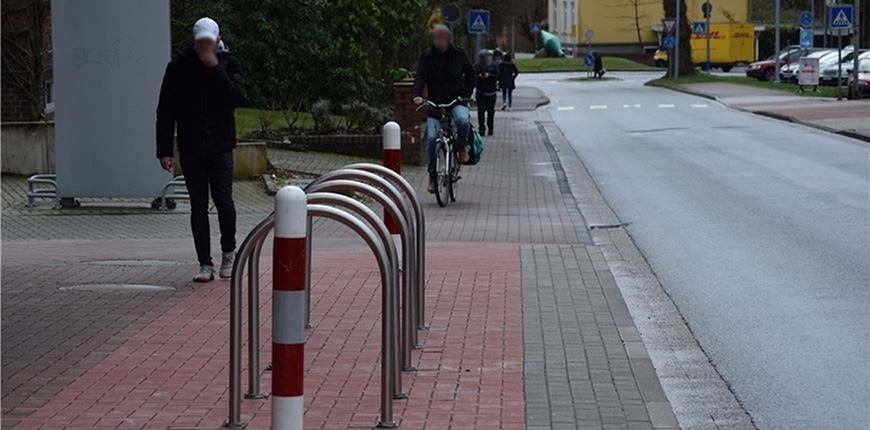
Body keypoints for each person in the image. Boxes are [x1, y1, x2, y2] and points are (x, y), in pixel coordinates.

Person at [156, 17, 245, 282]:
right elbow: (166, 110)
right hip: (191, 146)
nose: (204, 46)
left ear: (218, 40)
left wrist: (215, 67)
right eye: (200, 42)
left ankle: (229, 251)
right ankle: (204, 263)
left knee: (224, 200)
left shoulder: (230, 63)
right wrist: (164, 150)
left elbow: (235, 98)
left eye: (209, 41)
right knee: (198, 205)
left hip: (220, 145)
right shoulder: (178, 68)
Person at [411, 25, 476, 194]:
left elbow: (471, 74)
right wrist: (417, 95)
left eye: (440, 38)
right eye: (435, 38)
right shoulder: (427, 57)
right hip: (436, 102)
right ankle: (432, 176)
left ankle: (461, 146)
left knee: (462, 120)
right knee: (432, 139)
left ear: (447, 39)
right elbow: (420, 76)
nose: (437, 41)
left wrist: (466, 94)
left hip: (457, 99)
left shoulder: (459, 54)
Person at [474, 49, 499, 136]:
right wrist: (479, 77)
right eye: (481, 57)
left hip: (491, 92)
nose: (483, 59)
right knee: (481, 110)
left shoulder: (493, 66)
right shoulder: (477, 66)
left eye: (484, 57)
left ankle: (490, 128)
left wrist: (489, 76)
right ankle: (481, 128)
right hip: (480, 91)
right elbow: (473, 77)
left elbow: (498, 76)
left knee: (491, 111)